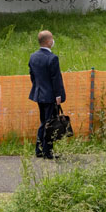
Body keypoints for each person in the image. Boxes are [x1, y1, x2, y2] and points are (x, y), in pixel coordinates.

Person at [28, 30, 65, 159]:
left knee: (44, 122)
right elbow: (56, 79)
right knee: (49, 124)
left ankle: (39, 149)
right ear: (49, 42)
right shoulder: (52, 58)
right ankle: (47, 151)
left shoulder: (33, 56)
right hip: (50, 96)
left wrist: (37, 87)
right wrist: (58, 96)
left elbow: (32, 76)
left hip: (39, 94)